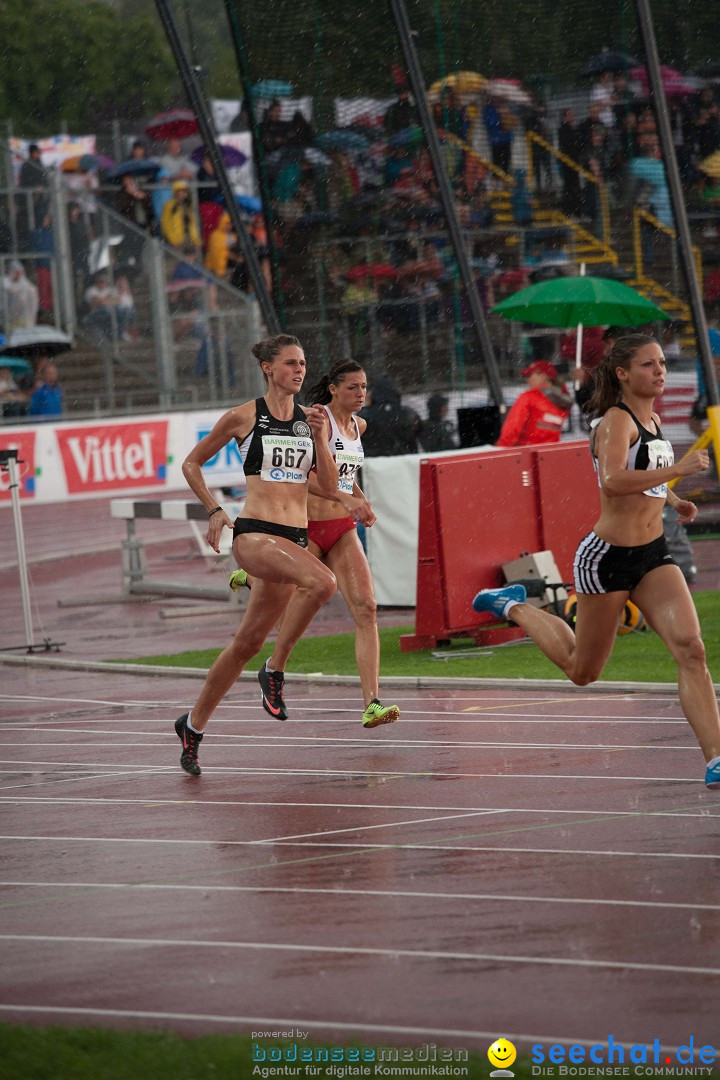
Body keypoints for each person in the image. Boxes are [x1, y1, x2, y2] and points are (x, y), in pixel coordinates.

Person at [472, 334, 720, 789]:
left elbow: (643, 475)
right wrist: (678, 472)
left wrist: (672, 500)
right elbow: (613, 480)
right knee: (582, 671)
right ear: (623, 373)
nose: (660, 371)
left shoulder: (654, 419)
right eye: (649, 365)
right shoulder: (614, 421)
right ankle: (514, 607)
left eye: (662, 363)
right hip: (605, 558)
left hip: (652, 555)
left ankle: (715, 758)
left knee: (691, 649)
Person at [173, 334, 338, 776]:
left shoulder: (311, 420)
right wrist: (213, 508)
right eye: (289, 363)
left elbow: (328, 486)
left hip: (291, 541)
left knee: (244, 643)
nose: (299, 371)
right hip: (254, 536)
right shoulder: (245, 416)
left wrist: (322, 438)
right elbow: (191, 463)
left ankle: (192, 726)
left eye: (303, 363)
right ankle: (275, 670)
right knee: (323, 582)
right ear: (268, 368)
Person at [231, 360, 400, 730]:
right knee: (289, 596)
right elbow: (303, 475)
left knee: (366, 608)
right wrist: (347, 497)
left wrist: (358, 498)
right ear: (334, 389)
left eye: (364, 387)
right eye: (353, 387)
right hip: (304, 527)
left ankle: (372, 702)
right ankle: (274, 665)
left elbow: (343, 472)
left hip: (339, 528)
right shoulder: (312, 420)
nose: (361, 395)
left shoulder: (360, 425)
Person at [496, 360, 572, 447]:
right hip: (550, 455)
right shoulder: (562, 401)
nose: (528, 379)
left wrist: (500, 450)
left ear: (544, 376)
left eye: (530, 375)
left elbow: (511, 432)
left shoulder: (529, 398)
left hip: (524, 455)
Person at [160, 180, 201, 249]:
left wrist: (196, 240)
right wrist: (172, 239)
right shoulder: (170, 205)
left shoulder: (188, 205)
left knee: (190, 258)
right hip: (176, 241)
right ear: (175, 192)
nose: (181, 194)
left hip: (189, 240)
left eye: (183, 191)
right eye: (179, 191)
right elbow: (166, 224)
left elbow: (192, 223)